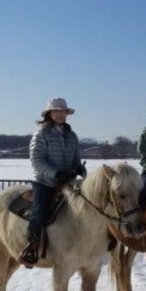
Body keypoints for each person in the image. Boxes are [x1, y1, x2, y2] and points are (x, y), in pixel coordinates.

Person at [21, 97, 87, 266]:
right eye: (56, 111)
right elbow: (36, 160)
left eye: (62, 111)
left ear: (67, 113)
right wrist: (55, 174)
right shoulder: (41, 134)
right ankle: (31, 246)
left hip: (68, 182)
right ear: (49, 113)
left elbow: (75, 157)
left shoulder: (72, 136)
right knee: (39, 212)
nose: (59, 114)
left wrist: (79, 168)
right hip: (45, 182)